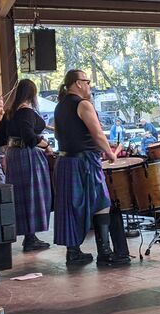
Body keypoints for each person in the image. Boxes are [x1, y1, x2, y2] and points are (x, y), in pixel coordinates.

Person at [52, 69, 129, 268]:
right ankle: (104, 252)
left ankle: (73, 253)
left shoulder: (60, 106)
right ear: (77, 83)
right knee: (102, 202)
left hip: (65, 161)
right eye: (87, 81)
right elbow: (97, 134)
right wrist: (111, 153)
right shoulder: (83, 104)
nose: (89, 86)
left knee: (71, 207)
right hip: (83, 162)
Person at [2, 79, 52, 252]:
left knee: (21, 196)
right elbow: (30, 137)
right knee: (33, 194)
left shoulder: (10, 112)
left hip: (13, 155)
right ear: (32, 94)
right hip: (27, 156)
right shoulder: (26, 112)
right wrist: (46, 145)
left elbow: (1, 137)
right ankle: (30, 237)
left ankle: (29, 236)